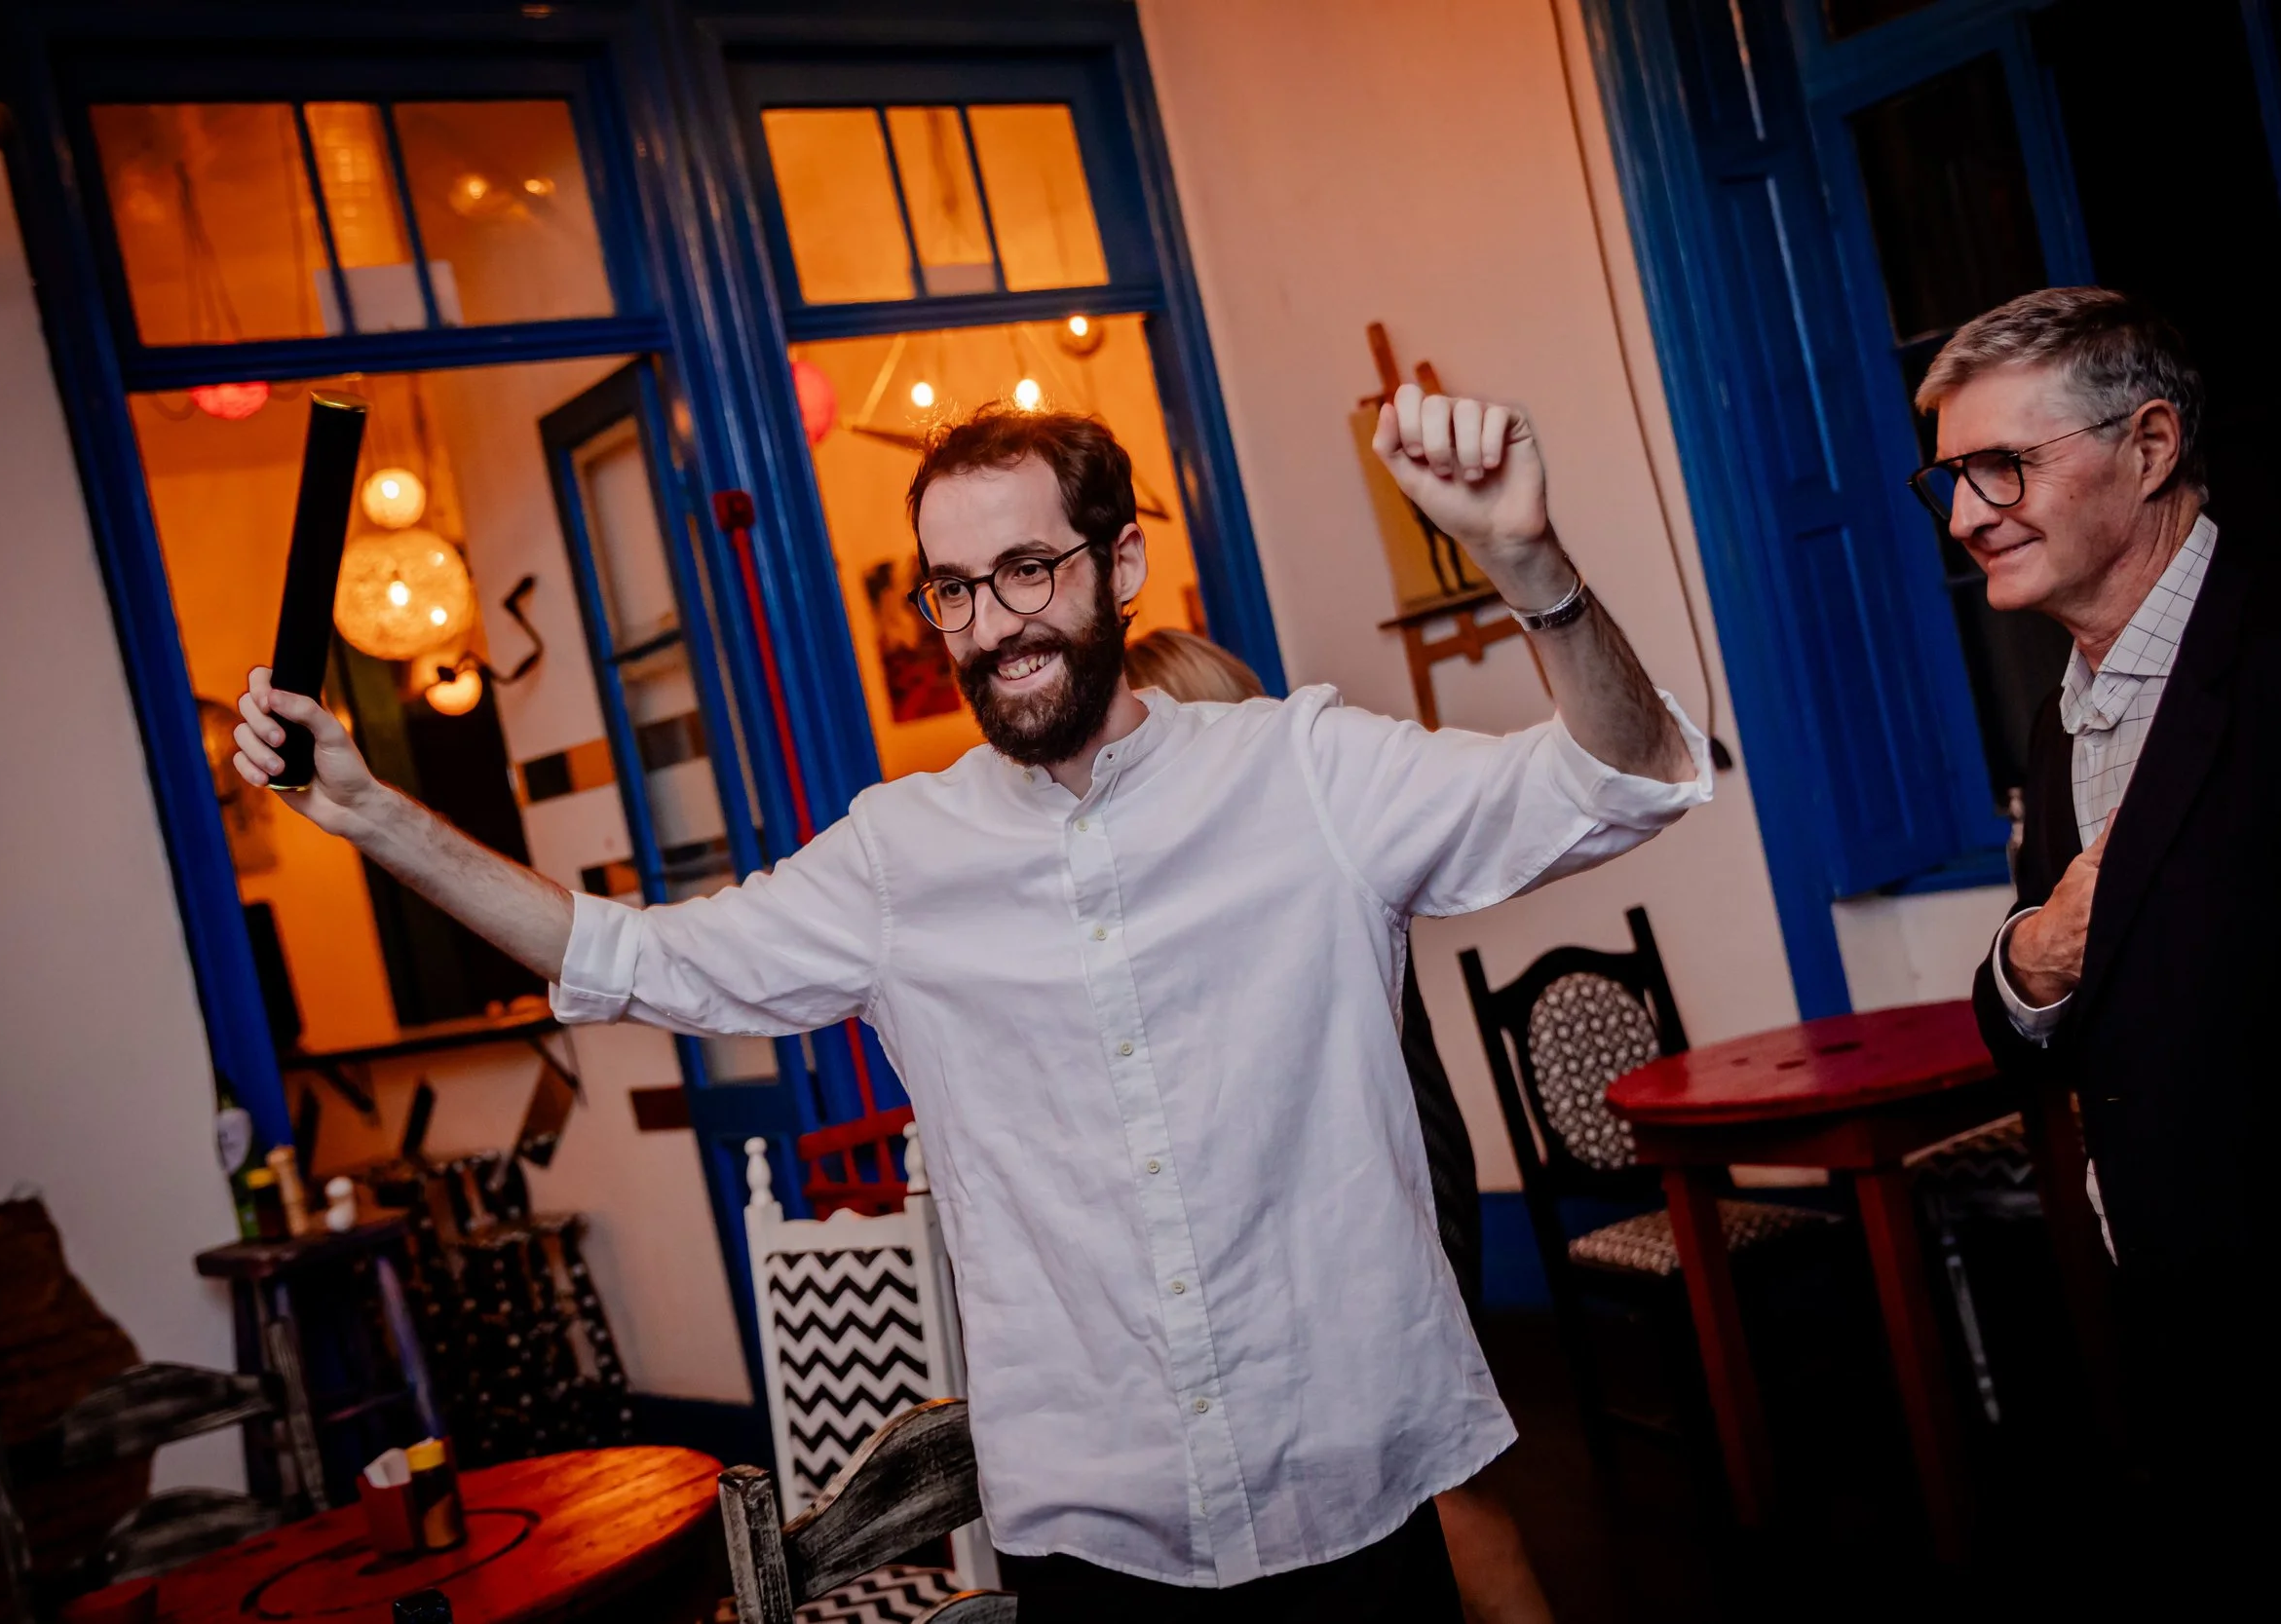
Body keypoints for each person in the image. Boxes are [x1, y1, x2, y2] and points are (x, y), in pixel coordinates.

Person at [234, 386, 1707, 1622]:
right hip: (1098, 1531)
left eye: (1029, 570)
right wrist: (371, 816)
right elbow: (632, 957)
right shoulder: (898, 858)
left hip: (1349, 1487)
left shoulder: (1304, 772)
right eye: (951, 587)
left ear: (1122, 567)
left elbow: (1626, 780)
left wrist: (1531, 565)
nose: (992, 624)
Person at [1923, 288, 2281, 1594]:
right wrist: (2029, 961)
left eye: (2004, 465)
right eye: (1952, 477)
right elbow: (2063, 1006)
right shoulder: (2055, 724)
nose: (1968, 514)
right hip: (2181, 1337)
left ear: (2149, 447)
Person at [1125, 627, 1553, 1624]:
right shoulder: (1195, 882)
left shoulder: (1296, 860)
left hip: (1381, 1198)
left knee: (1439, 1489)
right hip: (1349, 1205)